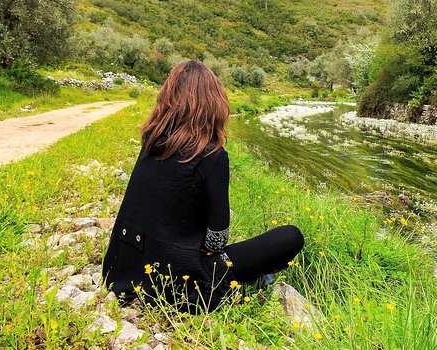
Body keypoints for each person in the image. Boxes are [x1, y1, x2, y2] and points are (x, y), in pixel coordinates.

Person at [102, 60, 304, 312]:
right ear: (214, 103)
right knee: (290, 236)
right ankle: (240, 281)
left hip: (121, 271)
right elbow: (216, 241)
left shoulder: (151, 141)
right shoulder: (211, 156)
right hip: (176, 284)